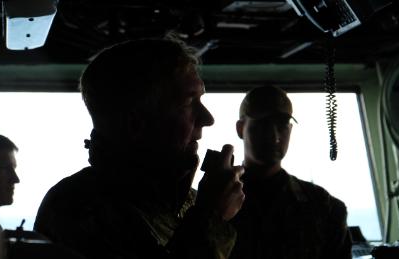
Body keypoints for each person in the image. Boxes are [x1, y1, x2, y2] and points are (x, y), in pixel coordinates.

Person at [34, 37, 245, 259]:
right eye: (188, 102)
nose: (207, 118)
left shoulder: (187, 201)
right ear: (136, 123)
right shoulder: (74, 209)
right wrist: (211, 217)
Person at [230, 86, 352, 259]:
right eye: (263, 124)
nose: (274, 136)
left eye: (282, 125)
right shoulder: (218, 201)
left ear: (290, 129)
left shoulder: (325, 207)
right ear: (240, 128)